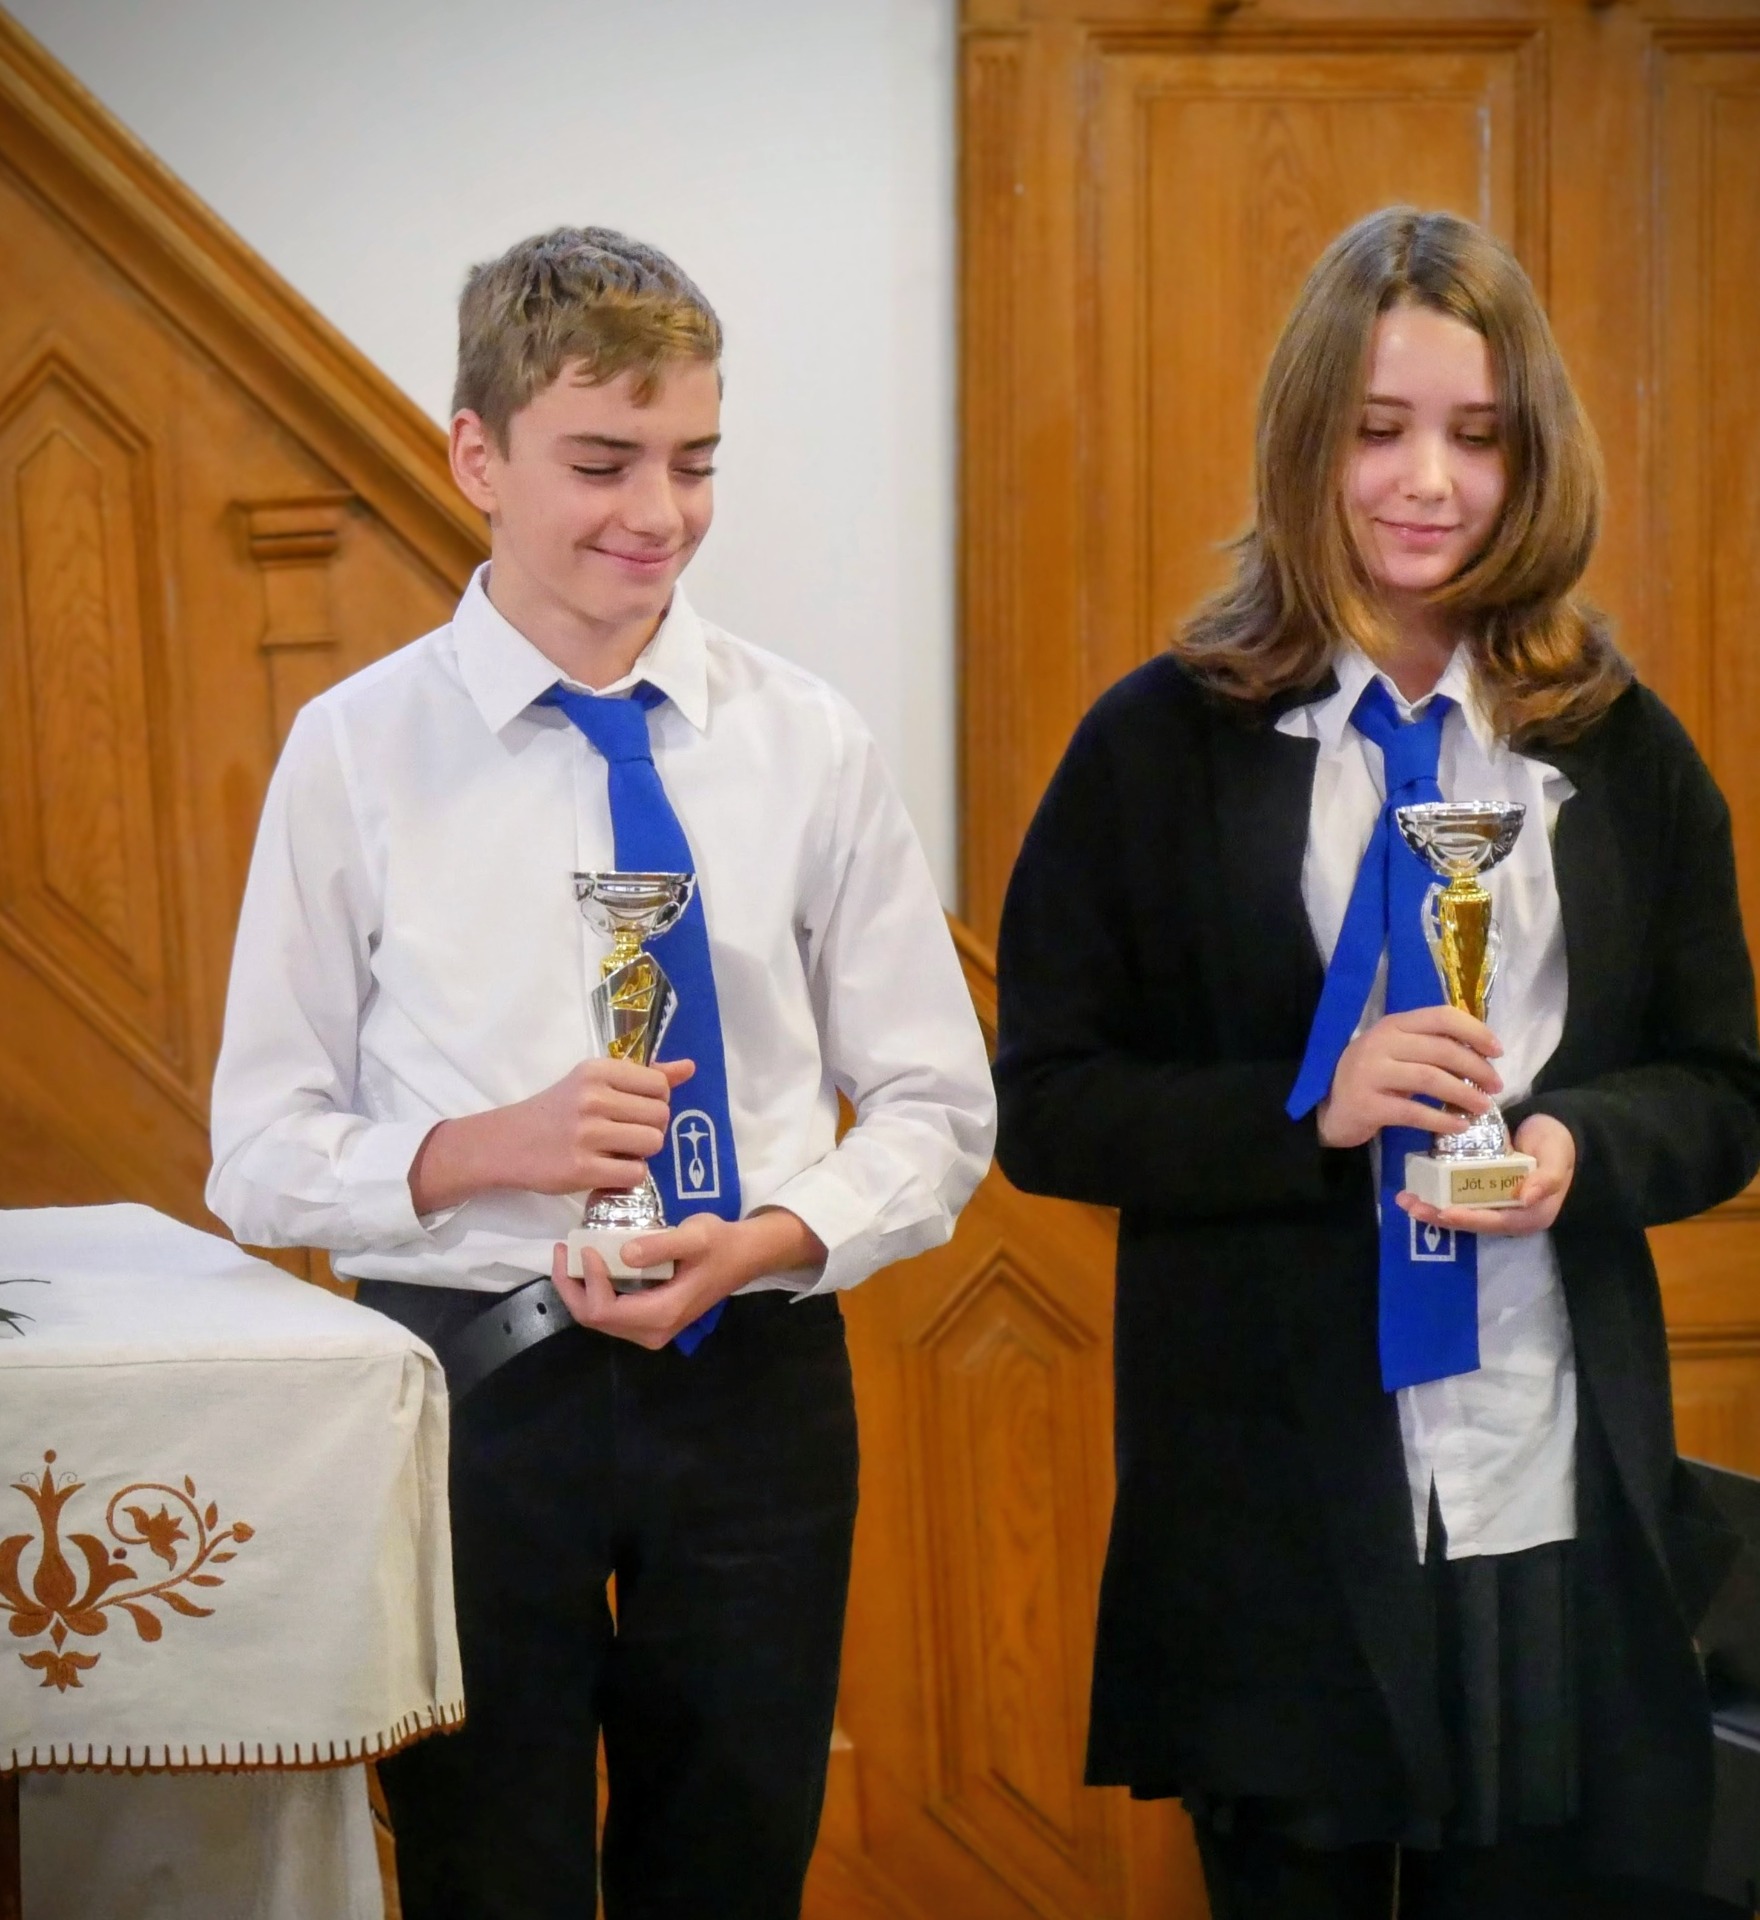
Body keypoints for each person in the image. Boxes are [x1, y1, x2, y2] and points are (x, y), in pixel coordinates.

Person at [207, 226, 995, 1920]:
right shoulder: (355, 752)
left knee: (734, 1866)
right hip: (472, 1390)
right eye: (603, 462)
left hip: (756, 1379)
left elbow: (938, 1106)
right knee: (489, 1873)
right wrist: (484, 1147)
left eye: (694, 462)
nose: (660, 512)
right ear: (476, 456)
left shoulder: (808, 742)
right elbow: (256, 1152)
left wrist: (772, 1237)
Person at [993, 206, 1760, 1918]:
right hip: (1274, 1509)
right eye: (1379, 428)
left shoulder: (1621, 749)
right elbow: (1045, 1107)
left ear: (1533, 456)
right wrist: (1311, 1112)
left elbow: (1725, 1088)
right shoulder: (1156, 745)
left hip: (1543, 1476)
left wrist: (1576, 1148)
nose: (1429, 482)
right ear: (1306, 440)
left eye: (1479, 436)